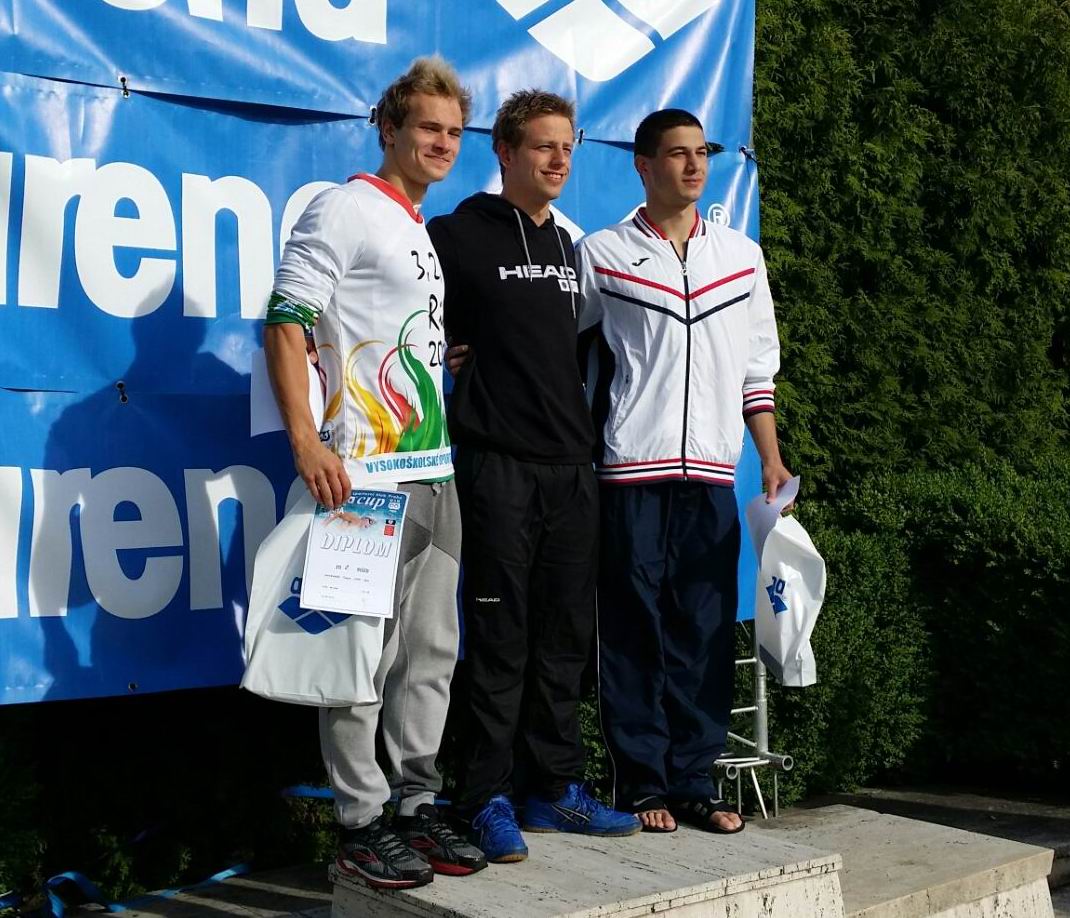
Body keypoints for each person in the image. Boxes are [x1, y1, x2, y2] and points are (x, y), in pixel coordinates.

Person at [262, 57, 486, 890]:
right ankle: (360, 819)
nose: (443, 143)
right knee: (356, 655)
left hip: (434, 469)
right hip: (362, 474)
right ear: (388, 129)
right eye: (428, 127)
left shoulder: (417, 224)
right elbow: (285, 321)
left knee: (429, 652)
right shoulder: (344, 206)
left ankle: (416, 804)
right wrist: (306, 442)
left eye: (454, 131)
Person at [428, 90, 640, 863]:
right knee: (500, 639)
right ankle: (483, 796)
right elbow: (413, 325)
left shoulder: (570, 245)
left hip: (571, 468)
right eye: (544, 146)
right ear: (506, 152)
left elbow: (576, 348)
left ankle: (553, 788)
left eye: (568, 148)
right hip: (498, 466)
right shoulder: (455, 234)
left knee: (563, 640)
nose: (559, 160)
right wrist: (448, 350)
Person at [574, 109, 792, 835]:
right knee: (632, 629)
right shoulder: (601, 253)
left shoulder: (742, 257)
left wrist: (770, 457)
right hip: (628, 474)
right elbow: (560, 350)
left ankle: (696, 782)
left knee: (703, 630)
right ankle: (640, 784)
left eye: (702, 152)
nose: (694, 166)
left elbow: (757, 370)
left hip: (710, 477)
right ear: (643, 164)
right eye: (677, 153)